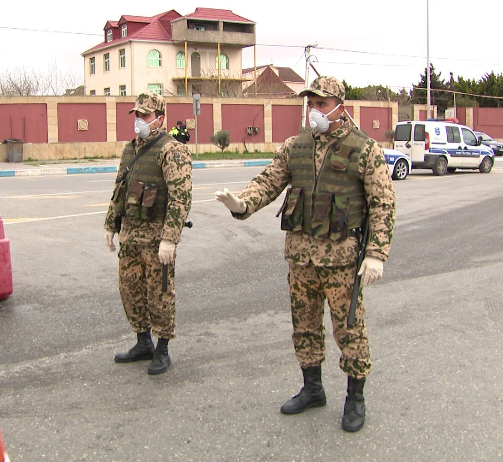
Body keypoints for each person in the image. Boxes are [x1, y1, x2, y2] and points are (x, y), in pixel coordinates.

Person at [215, 76, 395, 431]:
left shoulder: (364, 149)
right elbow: (268, 182)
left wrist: (376, 253)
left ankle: (355, 398)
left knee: (349, 331)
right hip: (301, 260)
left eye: (321, 104)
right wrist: (242, 203)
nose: (314, 110)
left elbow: (383, 204)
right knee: (304, 328)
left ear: (340, 107)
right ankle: (312, 389)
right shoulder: (294, 146)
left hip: (343, 262)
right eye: (310, 104)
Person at [104, 92, 192, 375]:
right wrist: (110, 224)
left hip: (156, 240)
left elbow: (181, 198)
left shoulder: (172, 150)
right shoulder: (130, 149)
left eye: (145, 115)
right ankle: (143, 342)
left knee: (160, 293)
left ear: (160, 119)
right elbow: (120, 189)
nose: (139, 120)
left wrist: (170, 238)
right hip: (130, 237)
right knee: (130, 290)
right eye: (137, 115)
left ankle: (163, 348)